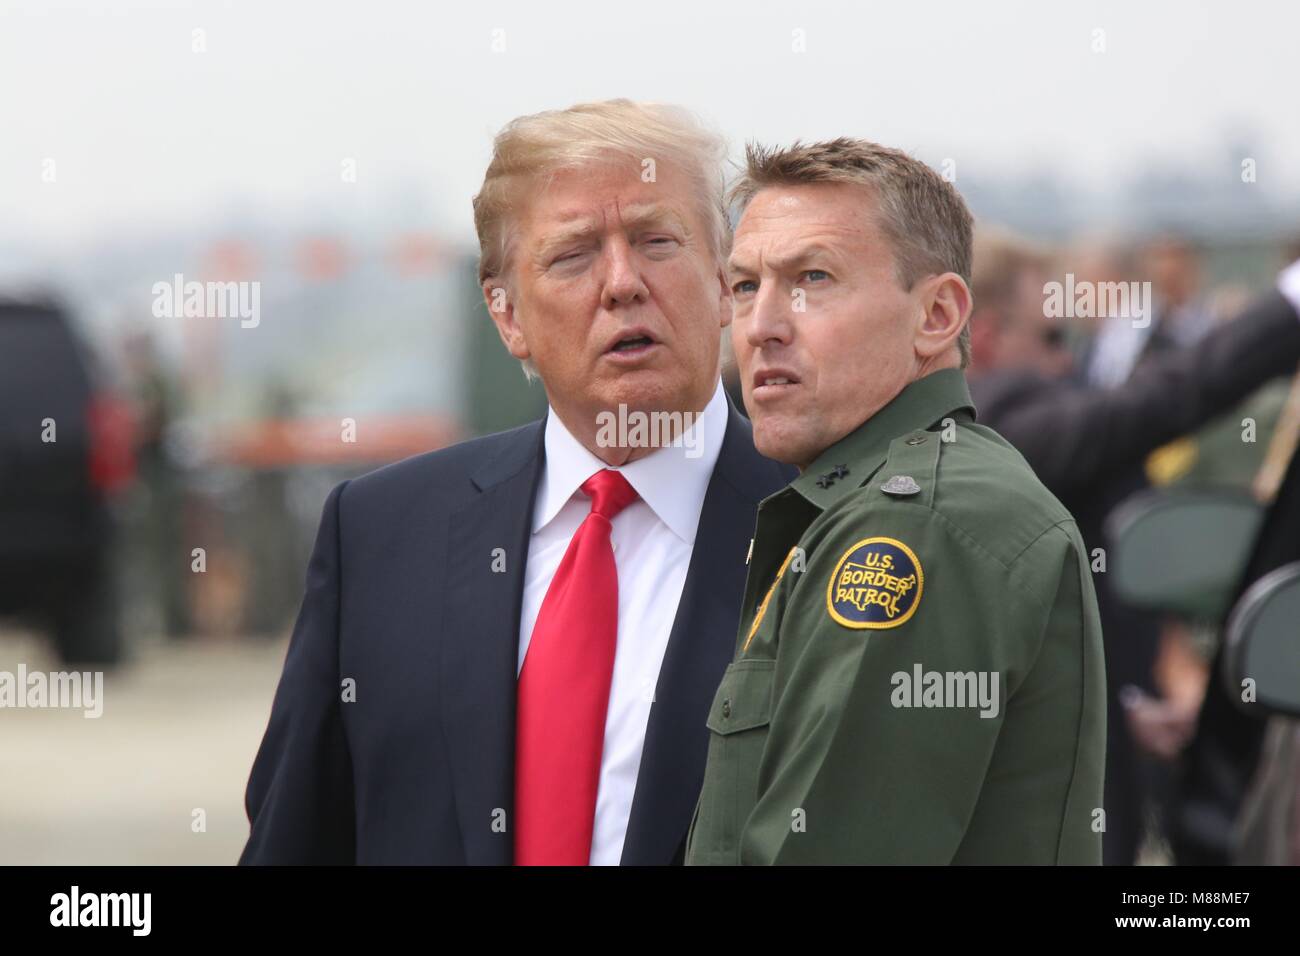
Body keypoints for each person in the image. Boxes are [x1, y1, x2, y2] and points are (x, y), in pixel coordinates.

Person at [240, 100, 792, 865]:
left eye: (657, 241)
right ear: (506, 315)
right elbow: (296, 838)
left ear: (724, 278)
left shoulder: (826, 522)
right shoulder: (379, 534)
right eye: (572, 256)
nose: (623, 282)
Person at [684, 139, 1106, 865]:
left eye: (812, 278)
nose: (760, 326)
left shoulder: (910, 523)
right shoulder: (896, 495)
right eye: (746, 286)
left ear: (938, 315)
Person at [966, 230, 1300, 864]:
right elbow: (1162, 400)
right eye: (1052, 338)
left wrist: (1119, 705)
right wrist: (1289, 304)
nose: (1069, 361)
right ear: (984, 336)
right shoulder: (1000, 426)